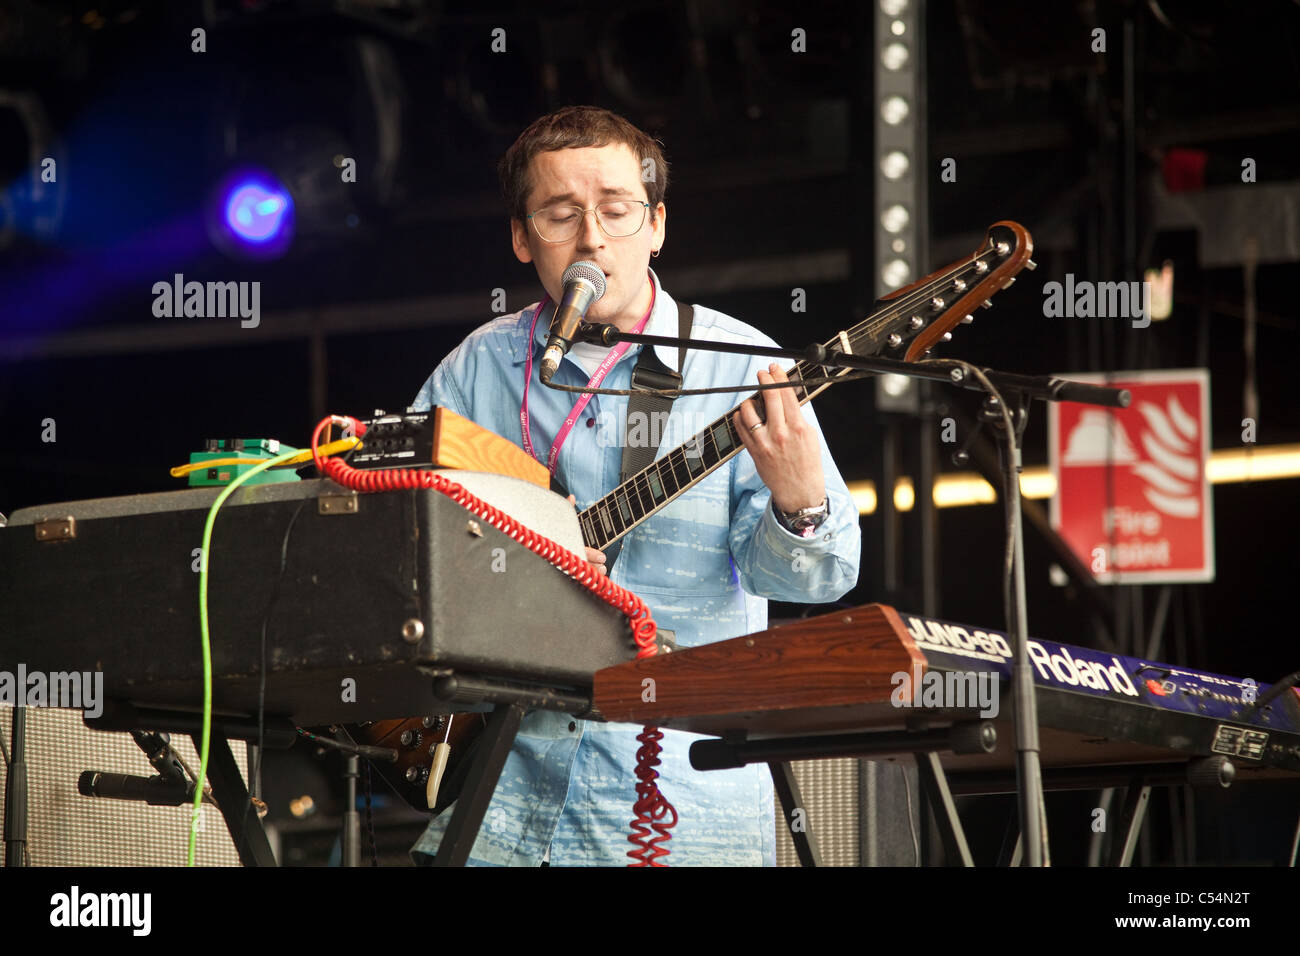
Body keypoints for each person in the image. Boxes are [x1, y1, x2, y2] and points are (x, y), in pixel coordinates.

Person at [409, 105, 860, 865]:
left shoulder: (740, 367)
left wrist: (798, 502)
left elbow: (826, 575)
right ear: (523, 238)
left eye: (616, 211)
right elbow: (403, 551)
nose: (592, 238)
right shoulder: (475, 368)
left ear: (655, 226)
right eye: (561, 213)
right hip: (494, 808)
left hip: (679, 815)